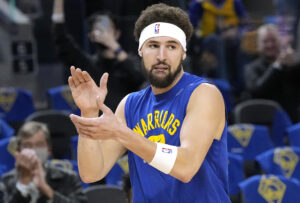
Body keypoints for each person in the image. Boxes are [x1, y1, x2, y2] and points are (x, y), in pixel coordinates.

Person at [68, 3, 230, 202]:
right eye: (153, 45)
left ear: (183, 53)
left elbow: (186, 166)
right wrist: (89, 113)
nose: (161, 56)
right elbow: (92, 173)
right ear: (140, 51)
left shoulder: (203, 94)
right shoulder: (129, 105)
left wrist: (120, 132)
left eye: (171, 46)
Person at [52, 0, 145, 112]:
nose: (103, 32)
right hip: (99, 123)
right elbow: (62, 40)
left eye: (107, 28)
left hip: (128, 122)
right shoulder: (88, 65)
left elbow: (140, 77)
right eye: (98, 29)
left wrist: (114, 45)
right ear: (91, 36)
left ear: (117, 33)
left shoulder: (129, 61)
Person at [0, 121, 87, 203]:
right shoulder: (7, 181)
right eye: (27, 145)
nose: (33, 150)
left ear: (49, 149)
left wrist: (46, 189)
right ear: (18, 150)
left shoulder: (68, 177)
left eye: (39, 145)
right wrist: (23, 184)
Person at [244, 24, 300, 122]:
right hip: (265, 122)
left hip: (293, 121)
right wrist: (276, 66)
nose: (270, 45)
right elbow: (257, 91)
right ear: (258, 45)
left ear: (280, 42)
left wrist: (295, 66)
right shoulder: (251, 68)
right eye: (265, 41)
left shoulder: (290, 64)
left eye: (273, 40)